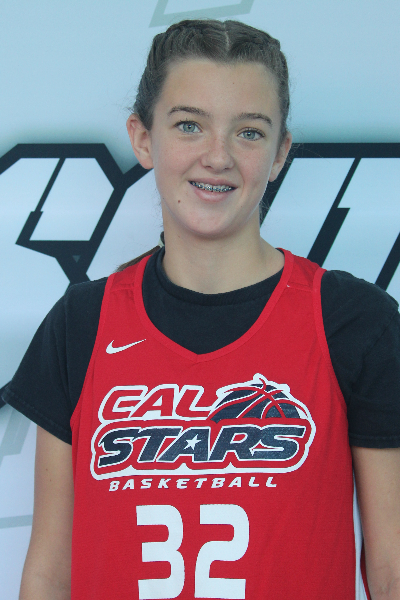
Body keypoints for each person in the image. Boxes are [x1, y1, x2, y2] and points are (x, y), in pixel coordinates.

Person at [3, 18, 400, 600]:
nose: (217, 157)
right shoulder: (81, 323)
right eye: (189, 125)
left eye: (249, 132)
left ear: (280, 152)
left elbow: (391, 569)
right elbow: (49, 573)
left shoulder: (354, 320)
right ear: (143, 137)